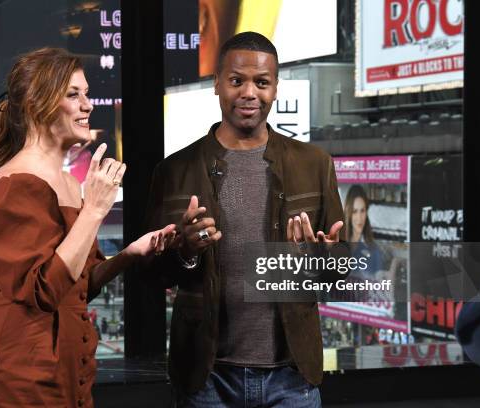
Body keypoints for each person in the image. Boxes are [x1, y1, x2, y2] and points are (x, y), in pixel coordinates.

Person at [145, 32, 344, 407]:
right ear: (217, 84)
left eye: (261, 82)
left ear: (275, 89)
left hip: (292, 376)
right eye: (237, 81)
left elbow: (341, 270)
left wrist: (321, 257)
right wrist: (185, 251)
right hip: (207, 378)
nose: (249, 93)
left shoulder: (314, 164)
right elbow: (151, 276)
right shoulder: (173, 171)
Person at [0, 48, 175, 408]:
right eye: (73, 94)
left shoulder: (67, 182)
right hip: (24, 371)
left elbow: (79, 285)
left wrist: (128, 254)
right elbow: (43, 292)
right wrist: (95, 208)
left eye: (87, 93)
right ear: (38, 103)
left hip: (68, 364)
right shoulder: (15, 180)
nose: (88, 105)